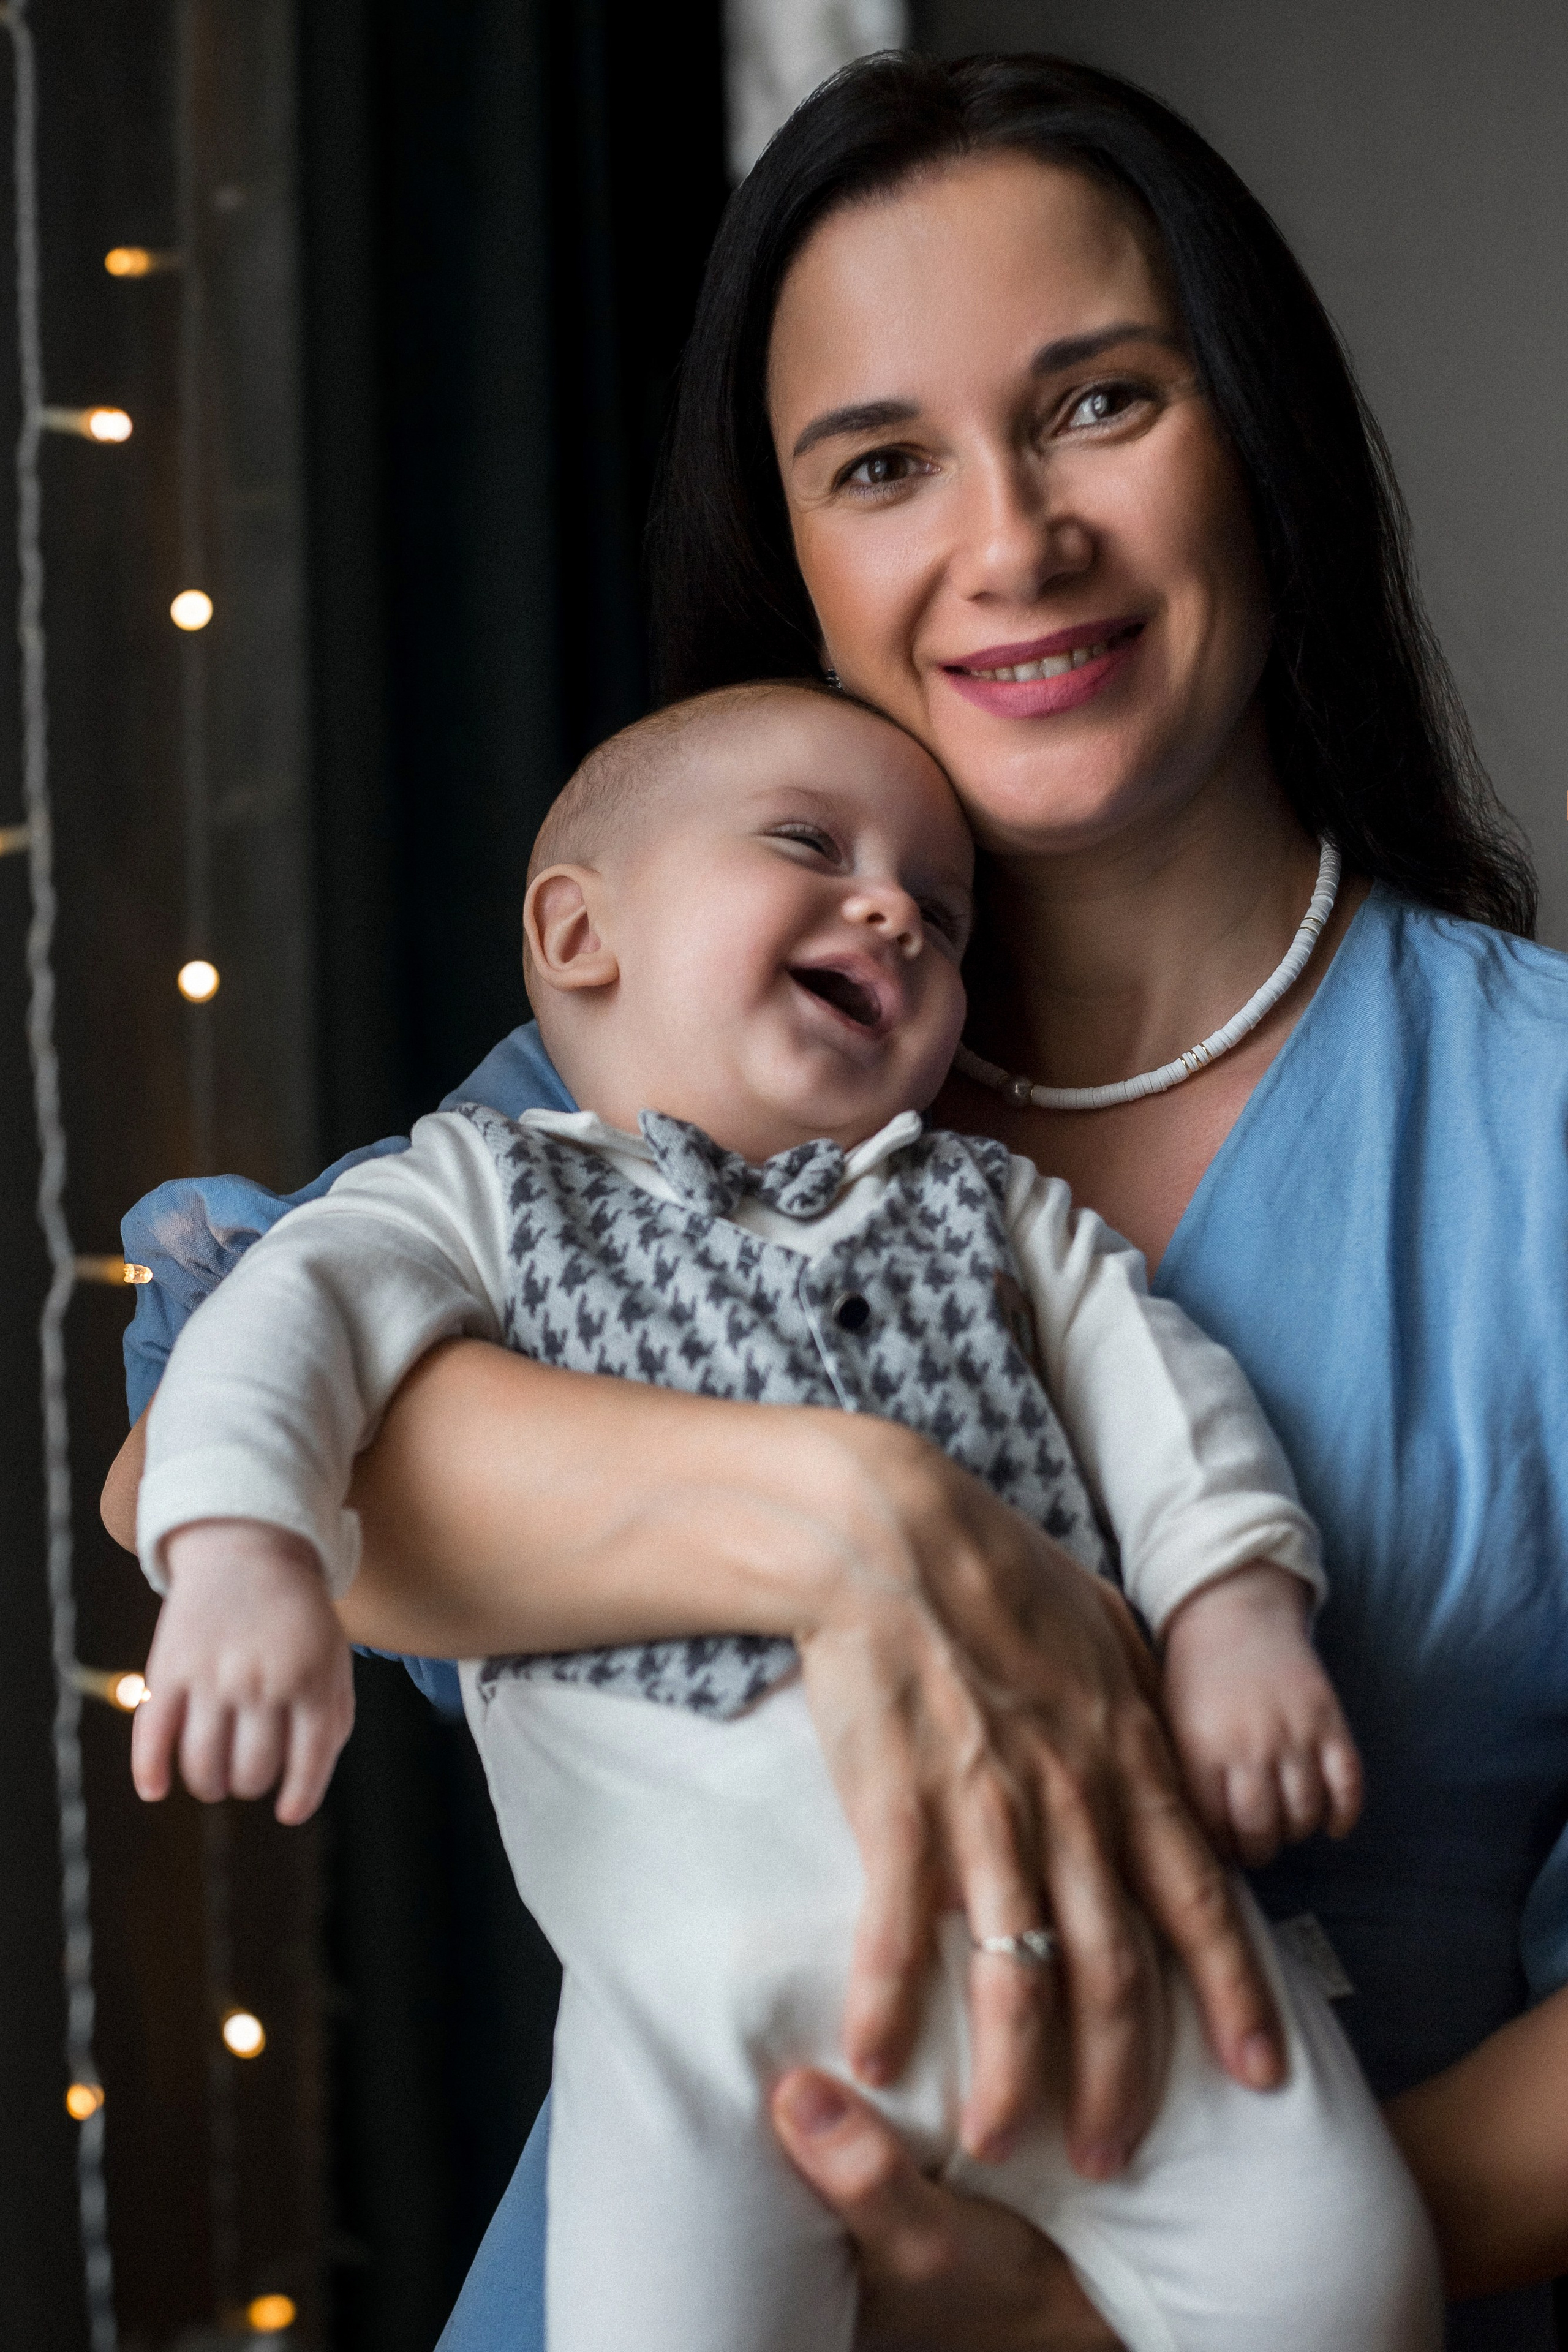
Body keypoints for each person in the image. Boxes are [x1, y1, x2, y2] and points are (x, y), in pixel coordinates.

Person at [102, 51, 1568, 2351]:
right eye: (882, 464)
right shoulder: (639, 1085)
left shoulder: (1536, 1128)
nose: (1010, 543)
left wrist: (1072, 2320)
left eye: (1098, 405)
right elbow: (213, 1441)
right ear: (796, 553)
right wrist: (860, 1519)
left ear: (1257, 437)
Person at [128, 679, 1436, 2352]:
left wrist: (1237, 1612)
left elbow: (1162, 1396)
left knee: (1348, 2281)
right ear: (578, 930)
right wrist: (246, 1556)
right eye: (809, 847)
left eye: (944, 915)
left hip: (1122, 1965)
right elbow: (275, 1335)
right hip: (700, 2042)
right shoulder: (471, 1192)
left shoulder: (986, 1203)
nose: (892, 906)